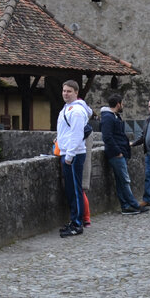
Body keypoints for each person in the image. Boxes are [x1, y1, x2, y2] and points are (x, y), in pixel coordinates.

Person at [100, 94, 146, 215]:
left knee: (121, 180)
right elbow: (107, 137)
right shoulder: (108, 118)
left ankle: (126, 206)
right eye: (122, 103)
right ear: (118, 104)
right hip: (116, 154)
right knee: (124, 180)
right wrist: (118, 152)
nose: (123, 105)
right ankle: (133, 205)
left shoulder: (115, 117)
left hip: (120, 152)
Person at [56, 80, 91, 237]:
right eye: (64, 90)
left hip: (74, 154)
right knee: (71, 190)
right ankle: (75, 220)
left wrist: (69, 155)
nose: (65, 93)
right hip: (69, 152)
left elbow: (77, 134)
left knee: (75, 190)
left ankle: (77, 224)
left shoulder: (76, 111)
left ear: (76, 93)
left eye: (69, 91)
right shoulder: (67, 108)